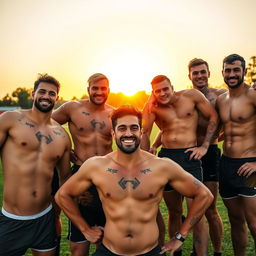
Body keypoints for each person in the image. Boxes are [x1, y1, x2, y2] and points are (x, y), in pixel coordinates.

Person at [55, 105, 214, 256]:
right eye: (122, 128)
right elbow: (63, 195)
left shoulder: (162, 166)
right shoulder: (97, 166)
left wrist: (180, 236)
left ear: (141, 132)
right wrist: (85, 230)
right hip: (109, 251)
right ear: (113, 133)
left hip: (149, 251)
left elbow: (204, 195)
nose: (128, 133)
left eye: (134, 128)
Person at [141, 75, 218, 256]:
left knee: (197, 215)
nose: (162, 93)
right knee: (174, 212)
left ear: (172, 86)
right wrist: (148, 104)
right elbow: (145, 130)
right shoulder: (154, 107)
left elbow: (214, 116)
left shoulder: (191, 96)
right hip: (167, 158)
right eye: (157, 91)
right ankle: (176, 253)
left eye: (165, 89)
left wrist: (205, 146)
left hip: (189, 157)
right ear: (153, 92)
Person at [0, 74, 71, 256]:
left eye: (52, 93)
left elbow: (65, 180)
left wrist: (56, 216)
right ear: (33, 94)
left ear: (57, 98)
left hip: (44, 219)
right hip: (12, 219)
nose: (46, 96)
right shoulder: (11, 120)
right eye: (42, 92)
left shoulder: (62, 136)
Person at [52, 73, 114, 256]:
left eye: (103, 88)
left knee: (106, 238)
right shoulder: (72, 108)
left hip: (107, 175)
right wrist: (65, 149)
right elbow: (47, 125)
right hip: (81, 174)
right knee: (79, 246)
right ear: (88, 89)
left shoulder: (114, 113)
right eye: (95, 88)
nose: (99, 92)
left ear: (109, 90)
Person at [216, 54, 256, 256]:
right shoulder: (221, 99)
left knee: (254, 223)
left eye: (236, 70)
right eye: (228, 70)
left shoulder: (253, 95)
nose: (231, 74)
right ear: (223, 72)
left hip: (250, 166)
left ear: (244, 72)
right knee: (235, 220)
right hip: (227, 165)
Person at [188, 58, 225, 256]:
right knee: (194, 208)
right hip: (189, 154)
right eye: (195, 73)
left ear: (209, 73)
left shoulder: (221, 97)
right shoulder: (187, 98)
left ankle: (217, 252)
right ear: (190, 76)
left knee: (210, 209)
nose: (200, 76)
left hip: (210, 153)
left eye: (203, 72)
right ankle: (197, 250)